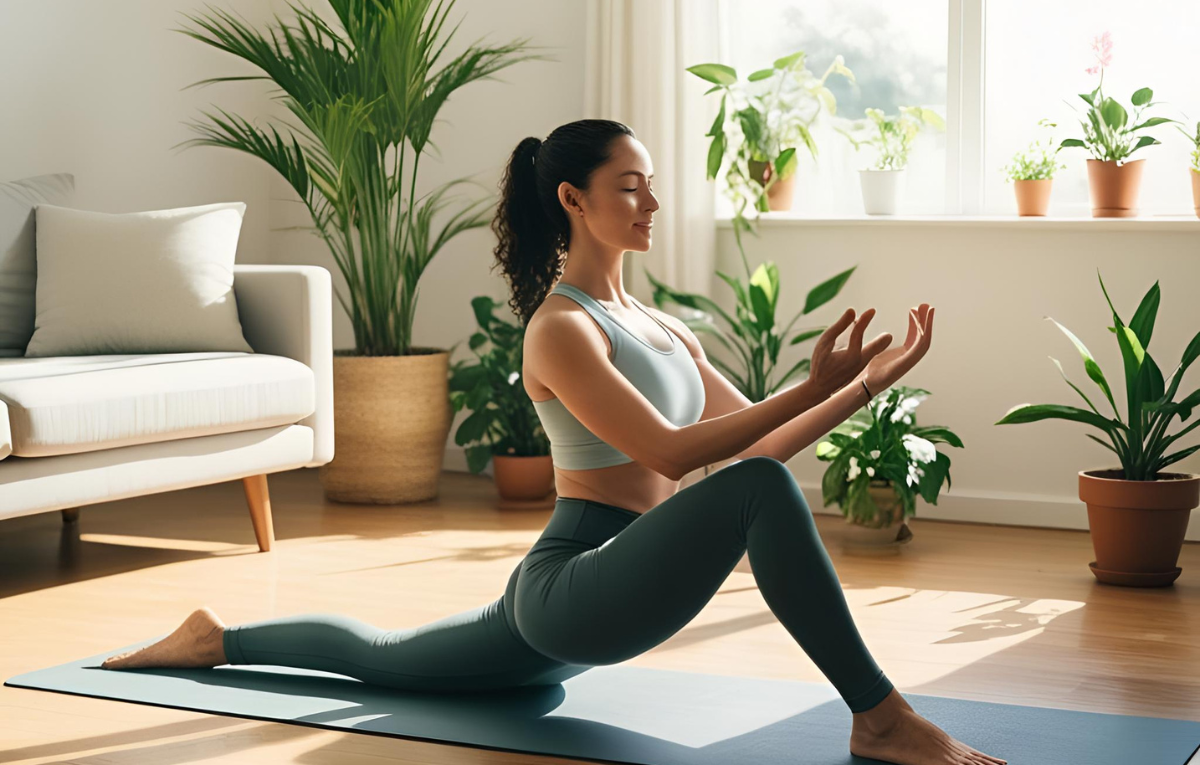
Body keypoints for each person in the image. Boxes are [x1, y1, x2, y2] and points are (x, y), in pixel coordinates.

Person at [102, 119, 1003, 765]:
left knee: (383, 658)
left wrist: (861, 384)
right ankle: (879, 718)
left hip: (597, 592)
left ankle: (217, 636)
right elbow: (675, 453)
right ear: (574, 198)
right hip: (571, 584)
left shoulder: (659, 323)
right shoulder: (561, 329)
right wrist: (811, 382)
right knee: (761, 489)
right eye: (630, 185)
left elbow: (754, 436)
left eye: (651, 182)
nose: (651, 200)